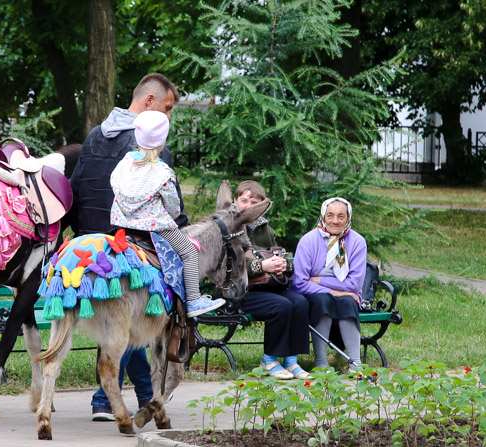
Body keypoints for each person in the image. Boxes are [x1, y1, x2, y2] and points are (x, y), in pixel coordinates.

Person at [69, 73, 185, 421]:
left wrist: (84, 238)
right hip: (130, 245)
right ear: (149, 102)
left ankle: (132, 398)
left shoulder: (94, 136)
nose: (168, 118)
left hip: (91, 246)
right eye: (166, 108)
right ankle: (114, 398)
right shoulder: (146, 144)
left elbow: (78, 189)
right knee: (144, 315)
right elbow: (169, 204)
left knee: (121, 323)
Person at [110, 111, 226, 318]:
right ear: (162, 140)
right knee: (189, 251)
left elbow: (114, 189)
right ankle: (193, 301)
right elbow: (174, 208)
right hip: (156, 227)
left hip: (123, 225)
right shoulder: (163, 173)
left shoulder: (124, 164)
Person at [232, 181, 311, 380]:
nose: (249, 206)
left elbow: (281, 254)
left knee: (300, 302)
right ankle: (269, 360)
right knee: (281, 305)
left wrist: (283, 264)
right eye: (244, 200)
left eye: (255, 203)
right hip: (236, 291)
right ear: (235, 201)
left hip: (266, 287)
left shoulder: (265, 229)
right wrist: (261, 267)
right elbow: (228, 268)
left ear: (263, 207)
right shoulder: (227, 226)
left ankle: (291, 361)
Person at [291, 197, 367, 371]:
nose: (335, 221)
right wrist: (334, 291)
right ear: (323, 216)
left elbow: (354, 285)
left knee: (349, 301)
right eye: (330, 215)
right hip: (314, 295)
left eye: (341, 216)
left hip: (346, 295)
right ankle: (321, 362)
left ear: (348, 218)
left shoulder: (357, 242)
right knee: (322, 300)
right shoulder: (308, 240)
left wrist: (318, 279)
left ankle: (355, 363)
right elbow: (299, 283)